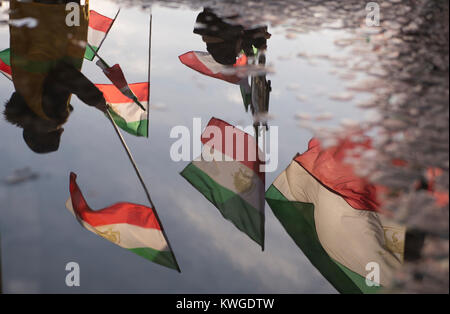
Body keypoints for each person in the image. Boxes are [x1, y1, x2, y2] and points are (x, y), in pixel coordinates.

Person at [3, 0, 107, 154]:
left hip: (57, 16)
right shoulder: (28, 97)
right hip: (35, 12)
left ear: (50, 132)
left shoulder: (48, 115)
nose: (61, 130)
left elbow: (63, 75)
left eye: (58, 132)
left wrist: (95, 99)